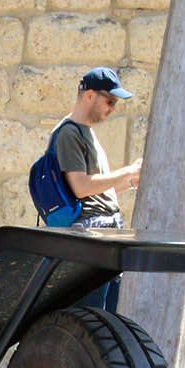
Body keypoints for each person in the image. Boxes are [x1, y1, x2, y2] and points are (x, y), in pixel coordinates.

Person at [52, 67, 143, 310]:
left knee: (107, 321)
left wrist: (131, 179)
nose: (113, 108)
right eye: (110, 101)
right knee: (93, 321)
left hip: (104, 233)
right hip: (90, 237)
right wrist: (124, 172)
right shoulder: (69, 134)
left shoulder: (86, 134)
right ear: (90, 95)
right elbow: (81, 187)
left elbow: (97, 193)